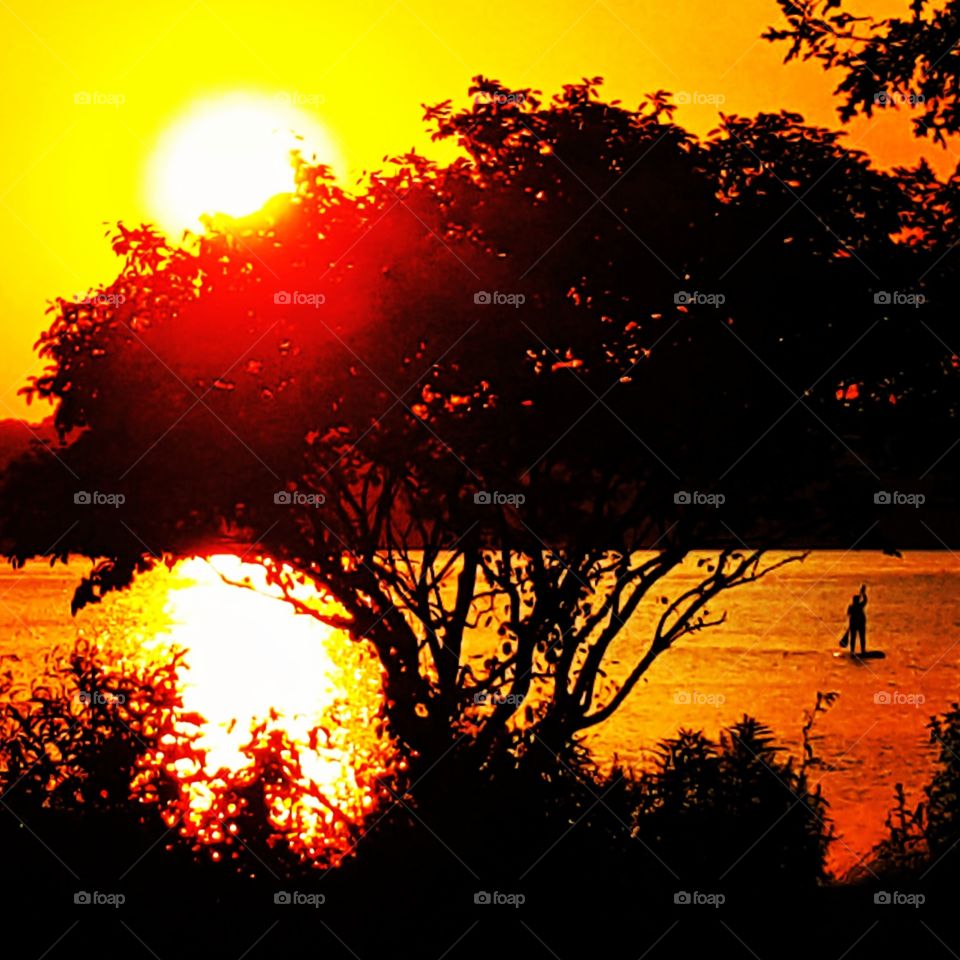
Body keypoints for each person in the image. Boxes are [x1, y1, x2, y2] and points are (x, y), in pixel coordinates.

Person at [847, 584, 867, 655]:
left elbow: (865, 600)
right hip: (856, 625)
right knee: (855, 638)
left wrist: (863, 593)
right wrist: (863, 593)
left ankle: (855, 651)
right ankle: (858, 651)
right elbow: (865, 600)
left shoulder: (853, 607)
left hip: (857, 625)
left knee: (859, 638)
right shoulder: (858, 606)